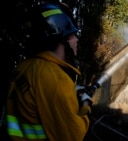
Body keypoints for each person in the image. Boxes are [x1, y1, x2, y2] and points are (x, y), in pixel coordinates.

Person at [4, 2, 92, 141]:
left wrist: (71, 94)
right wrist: (85, 105)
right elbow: (73, 136)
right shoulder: (57, 80)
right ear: (61, 38)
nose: (77, 39)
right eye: (72, 34)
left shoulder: (23, 68)